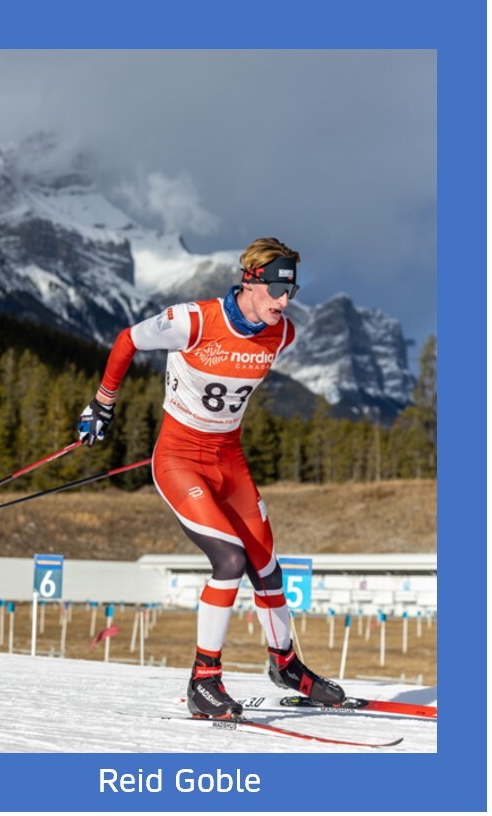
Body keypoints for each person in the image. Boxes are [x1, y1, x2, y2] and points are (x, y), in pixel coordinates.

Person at [78, 237, 345, 719]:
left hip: (229, 460)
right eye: (276, 292)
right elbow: (127, 341)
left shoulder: (281, 334)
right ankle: (204, 679)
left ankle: (285, 665)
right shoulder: (194, 320)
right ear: (251, 281)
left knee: (267, 567)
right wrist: (102, 404)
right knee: (229, 559)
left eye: (292, 292)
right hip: (179, 459)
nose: (284, 304)